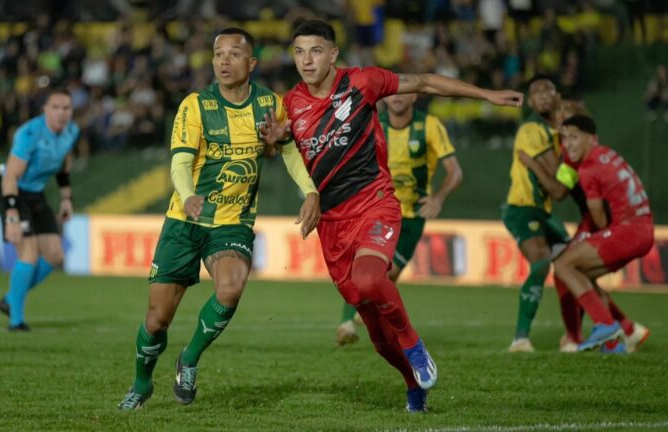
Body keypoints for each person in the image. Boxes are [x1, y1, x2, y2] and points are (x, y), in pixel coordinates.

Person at [259, 19, 522, 412]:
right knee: (378, 338)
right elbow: (281, 148)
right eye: (299, 52)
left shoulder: (363, 82)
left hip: (375, 202)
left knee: (370, 278)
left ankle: (415, 345)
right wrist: (273, 144)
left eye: (316, 51)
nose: (306, 60)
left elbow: (425, 81)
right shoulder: (291, 103)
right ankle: (412, 385)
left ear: (333, 54)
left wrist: (486, 95)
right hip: (332, 224)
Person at [117, 28, 320, 411]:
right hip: (185, 219)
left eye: (234, 54)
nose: (224, 62)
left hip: (233, 221)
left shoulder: (270, 104)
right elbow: (179, 159)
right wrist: (189, 193)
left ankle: (189, 359)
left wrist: (310, 191)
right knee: (157, 319)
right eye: (218, 55)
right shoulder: (195, 105)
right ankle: (142, 384)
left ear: (252, 63)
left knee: (231, 287)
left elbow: (289, 150)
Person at [519, 108, 650, 353]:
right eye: (564, 137)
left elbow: (586, 208)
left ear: (591, 137)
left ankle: (593, 330)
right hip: (639, 226)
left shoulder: (587, 166)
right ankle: (620, 336)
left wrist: (533, 165)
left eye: (573, 137)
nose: (567, 143)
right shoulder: (605, 155)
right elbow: (562, 190)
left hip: (619, 227)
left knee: (564, 267)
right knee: (577, 272)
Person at [336, 92, 462, 346]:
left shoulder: (429, 126)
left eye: (404, 91)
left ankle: (367, 318)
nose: (397, 96)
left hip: (412, 217)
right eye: (393, 91)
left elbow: (455, 171)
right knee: (370, 268)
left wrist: (438, 197)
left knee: (386, 275)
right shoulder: (373, 123)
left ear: (414, 96)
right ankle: (347, 322)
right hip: (378, 210)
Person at [0, 88, 79, 331]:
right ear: (45, 110)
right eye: (56, 108)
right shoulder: (30, 133)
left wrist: (66, 198)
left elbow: (63, 166)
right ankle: (16, 321)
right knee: (28, 253)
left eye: (66, 108)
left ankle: (11, 298)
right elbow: (10, 175)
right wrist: (11, 216)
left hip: (36, 193)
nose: (61, 113)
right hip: (13, 192)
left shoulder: (72, 131)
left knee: (55, 255)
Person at [501, 76, 570, 353]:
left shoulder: (562, 134)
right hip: (522, 207)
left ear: (557, 96)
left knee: (573, 265)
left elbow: (561, 185)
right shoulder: (531, 130)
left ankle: (587, 333)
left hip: (544, 212)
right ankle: (520, 339)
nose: (542, 94)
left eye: (547, 89)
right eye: (536, 92)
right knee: (542, 262)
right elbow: (557, 184)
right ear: (530, 101)